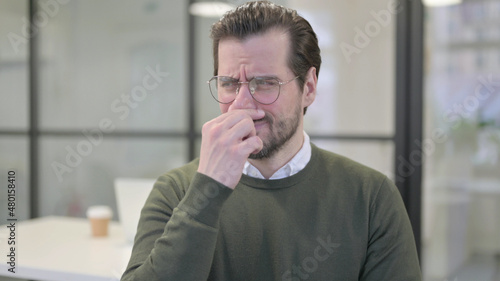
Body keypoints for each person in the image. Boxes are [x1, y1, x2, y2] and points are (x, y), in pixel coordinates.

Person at [121, 1, 422, 280]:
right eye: (229, 84)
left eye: (264, 83)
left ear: (309, 88)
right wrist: (208, 189)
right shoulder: (177, 190)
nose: (241, 104)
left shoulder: (371, 197)